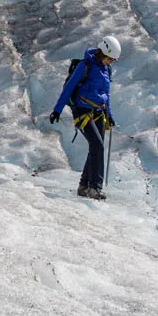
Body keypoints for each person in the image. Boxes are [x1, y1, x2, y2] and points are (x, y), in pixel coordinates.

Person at [50, 36, 120, 200]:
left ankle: (84, 186)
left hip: (99, 112)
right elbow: (69, 88)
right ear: (101, 52)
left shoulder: (106, 70)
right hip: (83, 111)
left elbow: (106, 94)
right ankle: (95, 188)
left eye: (113, 60)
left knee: (96, 147)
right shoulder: (85, 65)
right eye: (109, 59)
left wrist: (109, 115)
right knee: (97, 146)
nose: (110, 62)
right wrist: (57, 110)